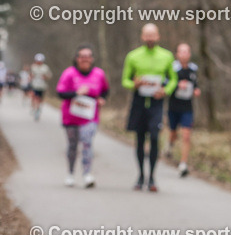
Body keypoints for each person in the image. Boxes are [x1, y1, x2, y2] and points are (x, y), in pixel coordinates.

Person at [121, 24, 177, 192]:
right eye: (147, 35)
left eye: (152, 35)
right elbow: (125, 80)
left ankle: (152, 177)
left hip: (156, 102)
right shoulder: (133, 56)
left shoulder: (167, 56)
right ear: (142, 37)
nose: (150, 38)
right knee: (139, 139)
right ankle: (140, 176)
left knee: (154, 137)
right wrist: (134, 84)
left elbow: (173, 79)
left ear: (158, 36)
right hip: (139, 101)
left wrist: (165, 91)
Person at [55, 45, 109, 188]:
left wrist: (102, 99)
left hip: (90, 117)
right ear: (77, 58)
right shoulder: (69, 73)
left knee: (87, 143)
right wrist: (76, 93)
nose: (85, 59)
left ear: (92, 59)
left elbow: (105, 90)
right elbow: (60, 93)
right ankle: (70, 174)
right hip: (71, 117)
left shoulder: (99, 74)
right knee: (73, 146)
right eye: (82, 56)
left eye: (88, 56)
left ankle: (87, 174)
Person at [166, 42, 200, 177]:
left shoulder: (193, 69)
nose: (184, 54)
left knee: (186, 136)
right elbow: (166, 83)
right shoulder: (172, 68)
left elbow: (196, 85)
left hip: (187, 107)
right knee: (173, 133)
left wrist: (196, 90)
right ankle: (169, 145)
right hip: (173, 106)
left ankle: (183, 164)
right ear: (177, 54)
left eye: (187, 52)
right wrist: (177, 85)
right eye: (182, 51)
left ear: (189, 54)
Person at [29, 54, 52, 121]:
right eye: (37, 61)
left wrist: (45, 77)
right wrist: (31, 77)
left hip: (42, 86)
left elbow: (49, 76)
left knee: (40, 99)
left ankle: (38, 108)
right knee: (35, 97)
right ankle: (35, 108)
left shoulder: (45, 68)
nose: (39, 62)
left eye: (40, 61)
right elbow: (30, 75)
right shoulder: (33, 67)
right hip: (35, 85)